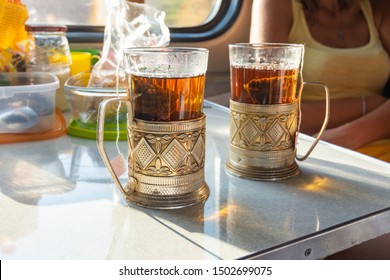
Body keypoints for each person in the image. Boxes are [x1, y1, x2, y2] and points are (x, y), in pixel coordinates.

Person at [250, 0, 390, 162]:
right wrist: (368, 105)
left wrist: (350, 135)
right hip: (306, 147)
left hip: (378, 141)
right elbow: (266, 113)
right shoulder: (276, 4)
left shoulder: (377, 7)